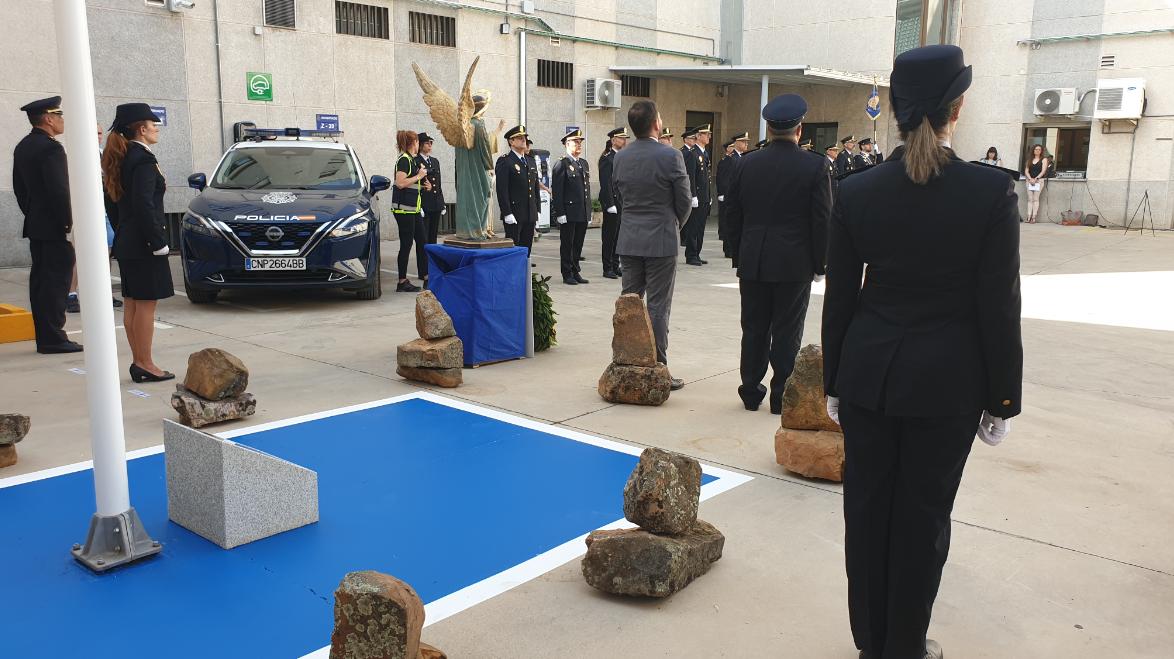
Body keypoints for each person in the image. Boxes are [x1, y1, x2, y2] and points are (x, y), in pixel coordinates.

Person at [822, 45, 1022, 659]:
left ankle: (871, 642)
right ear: (956, 109)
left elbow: (840, 298)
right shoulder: (989, 192)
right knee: (923, 519)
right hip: (948, 384)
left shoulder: (857, 190)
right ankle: (904, 647)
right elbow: (998, 304)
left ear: (899, 112)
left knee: (867, 514)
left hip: (869, 377)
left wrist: (834, 381)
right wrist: (1002, 398)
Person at [725, 95, 831, 414]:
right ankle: (781, 395)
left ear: (769, 129)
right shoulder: (815, 165)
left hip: (754, 259)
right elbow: (822, 219)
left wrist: (738, 254)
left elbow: (732, 214)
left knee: (754, 328)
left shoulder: (745, 163)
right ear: (799, 129)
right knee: (788, 330)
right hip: (794, 262)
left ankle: (750, 390)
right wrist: (820, 263)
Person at [611, 100, 691, 391]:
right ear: (657, 123)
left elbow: (619, 196)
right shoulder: (671, 155)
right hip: (661, 239)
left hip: (630, 237)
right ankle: (658, 368)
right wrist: (674, 224)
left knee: (629, 302)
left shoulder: (621, 156)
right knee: (658, 307)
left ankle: (626, 360)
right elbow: (684, 201)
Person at [104, 102, 175, 381]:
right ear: (141, 129)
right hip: (144, 243)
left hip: (128, 240)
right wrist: (157, 241)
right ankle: (145, 363)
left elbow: (112, 202)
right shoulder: (143, 159)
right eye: (153, 125)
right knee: (145, 304)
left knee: (133, 303)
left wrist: (123, 230)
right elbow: (144, 204)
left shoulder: (121, 157)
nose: (157, 129)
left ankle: (139, 361)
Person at [13, 96, 82, 354]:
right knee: (55, 283)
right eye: (59, 116)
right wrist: (67, 223)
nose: (62, 120)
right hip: (54, 226)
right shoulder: (51, 149)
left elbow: (20, 190)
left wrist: (34, 215)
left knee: (42, 283)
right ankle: (54, 338)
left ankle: (46, 336)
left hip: (37, 225)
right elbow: (59, 191)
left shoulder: (24, 146)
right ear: (49, 119)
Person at [552, 129, 591, 285]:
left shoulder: (583, 163)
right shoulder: (561, 164)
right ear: (567, 144)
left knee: (578, 244)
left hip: (582, 211)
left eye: (580, 142)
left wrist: (588, 211)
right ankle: (567, 273)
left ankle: (575, 271)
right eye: (576, 142)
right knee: (568, 244)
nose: (579, 145)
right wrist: (560, 212)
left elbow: (586, 189)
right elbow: (557, 191)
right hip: (568, 212)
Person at [391, 130, 429, 292]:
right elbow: (400, 183)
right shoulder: (404, 160)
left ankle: (426, 277)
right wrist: (419, 176)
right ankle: (402, 281)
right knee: (406, 244)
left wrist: (425, 185)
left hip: (414, 209)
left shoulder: (412, 160)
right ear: (414, 143)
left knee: (422, 241)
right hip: (404, 211)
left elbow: (412, 184)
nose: (419, 144)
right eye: (418, 141)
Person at [494, 125, 539, 254]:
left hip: (529, 213)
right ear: (511, 141)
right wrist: (507, 212)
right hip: (514, 214)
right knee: (513, 251)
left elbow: (535, 187)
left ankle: (524, 268)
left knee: (526, 250)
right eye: (519, 138)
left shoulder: (530, 161)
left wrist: (537, 210)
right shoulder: (505, 161)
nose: (524, 140)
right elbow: (502, 190)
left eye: (524, 137)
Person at [598, 127, 628, 279]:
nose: (624, 141)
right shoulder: (607, 158)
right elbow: (606, 183)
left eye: (625, 138)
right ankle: (607, 267)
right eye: (621, 138)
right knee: (610, 237)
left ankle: (615, 265)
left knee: (619, 237)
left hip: (621, 201)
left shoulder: (621, 157)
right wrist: (610, 204)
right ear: (613, 140)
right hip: (613, 202)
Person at [682, 124, 712, 266]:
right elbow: (691, 176)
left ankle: (697, 253)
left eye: (709, 134)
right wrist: (693, 195)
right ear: (698, 136)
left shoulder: (704, 153)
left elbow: (707, 177)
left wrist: (709, 195)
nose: (709, 137)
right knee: (693, 227)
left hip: (704, 196)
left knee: (700, 227)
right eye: (706, 134)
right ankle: (691, 255)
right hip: (697, 197)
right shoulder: (691, 153)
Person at [716, 132, 748, 259]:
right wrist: (723, 194)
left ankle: (733, 248)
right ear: (737, 143)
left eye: (747, 142)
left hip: (739, 196)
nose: (746, 144)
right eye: (744, 142)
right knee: (729, 223)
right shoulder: (730, 159)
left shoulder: (740, 157)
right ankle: (728, 249)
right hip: (731, 197)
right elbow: (725, 179)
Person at [417, 132, 446, 245]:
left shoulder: (435, 161)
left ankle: (432, 256)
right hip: (424, 203)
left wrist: (442, 202)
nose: (430, 145)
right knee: (424, 237)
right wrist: (419, 206)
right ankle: (424, 256)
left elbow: (438, 183)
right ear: (420, 145)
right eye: (427, 143)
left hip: (435, 203)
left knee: (433, 236)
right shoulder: (416, 161)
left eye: (431, 143)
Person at [1023, 143, 1049, 224]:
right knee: (1030, 199)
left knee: (1035, 199)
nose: (1037, 151)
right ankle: (1028, 216)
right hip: (1029, 181)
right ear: (1033, 150)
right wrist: (1030, 179)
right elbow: (1026, 171)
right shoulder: (1029, 160)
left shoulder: (1044, 159)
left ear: (1041, 151)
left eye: (1039, 149)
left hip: (1039, 181)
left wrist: (1036, 178)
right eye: (1036, 149)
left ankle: (1034, 217)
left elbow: (1043, 171)